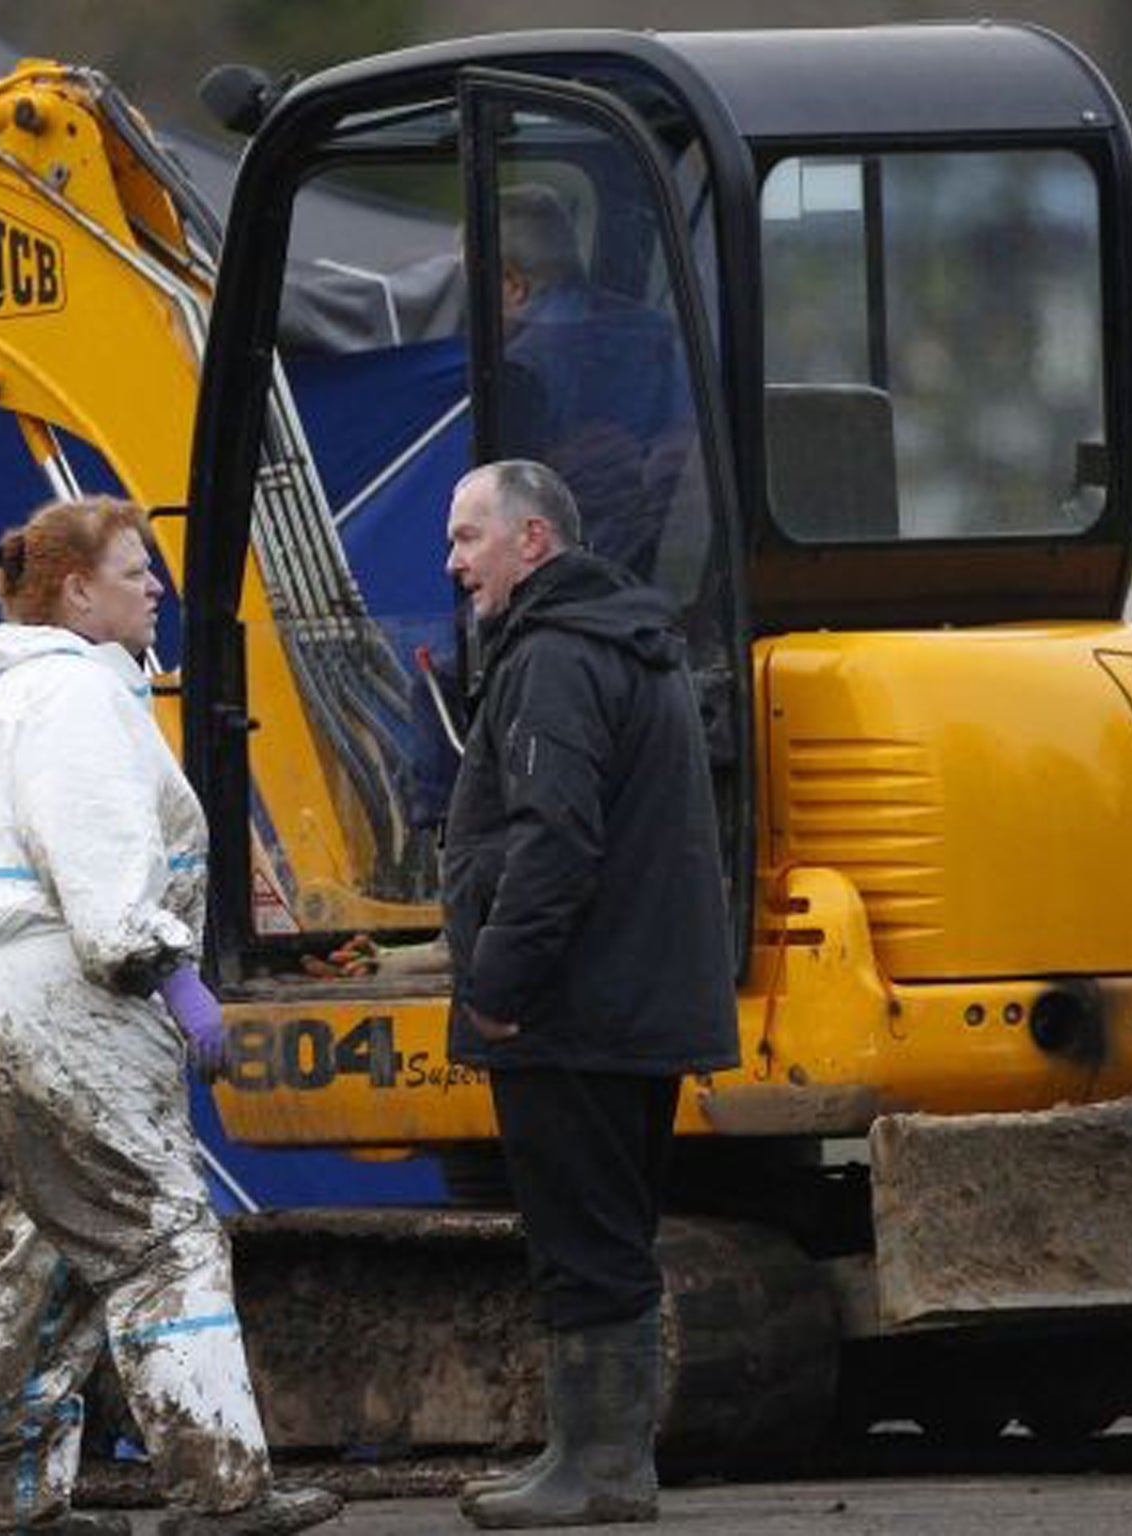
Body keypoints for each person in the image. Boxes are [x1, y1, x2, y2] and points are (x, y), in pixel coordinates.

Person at [0, 497, 340, 1536]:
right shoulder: (79, 700)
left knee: (28, 1254)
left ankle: (4, 1502)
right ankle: (220, 1489)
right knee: (161, 1242)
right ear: (75, 591)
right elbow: (101, 870)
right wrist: (176, 982)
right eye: (134, 568)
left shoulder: (6, 701)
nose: (155, 586)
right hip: (65, 998)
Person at [440, 460, 739, 1529]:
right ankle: (587, 1455)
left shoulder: (556, 658)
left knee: (583, 1242)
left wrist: (496, 982)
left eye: (469, 536)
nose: (452, 561)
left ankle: (599, 1471)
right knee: (606, 1235)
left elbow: (552, 837)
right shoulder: (627, 641)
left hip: (569, 1009)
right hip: (630, 1004)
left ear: (531, 543)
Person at [496, 182, 694, 581]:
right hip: (661, 552)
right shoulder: (659, 335)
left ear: (514, 285)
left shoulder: (519, 371)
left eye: (476, 287)